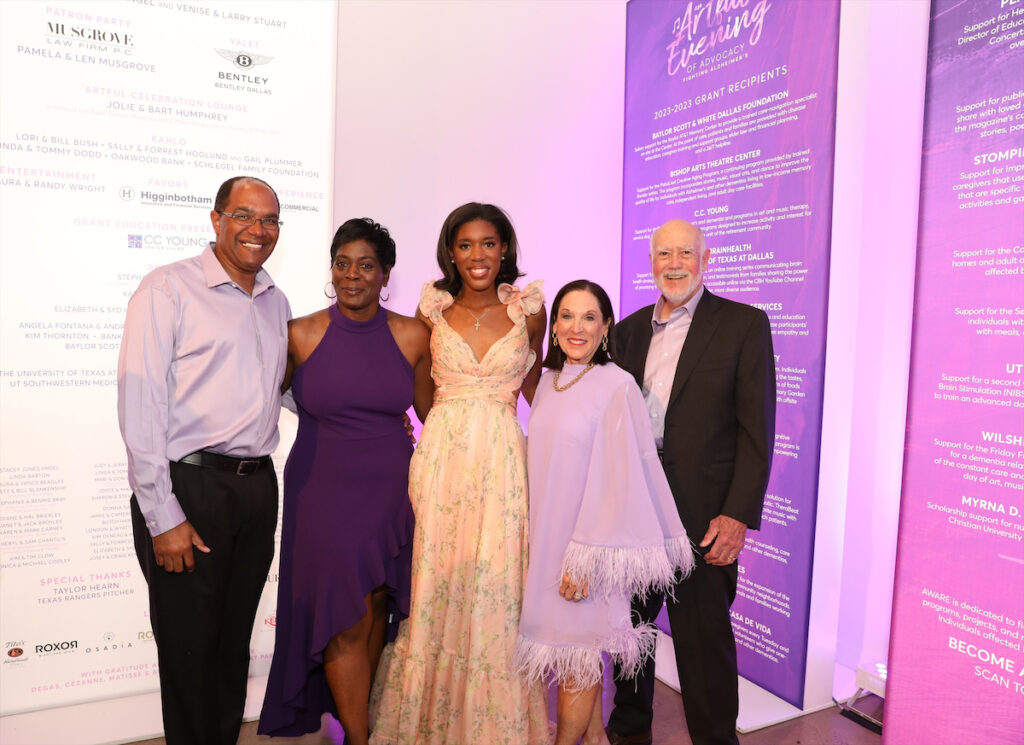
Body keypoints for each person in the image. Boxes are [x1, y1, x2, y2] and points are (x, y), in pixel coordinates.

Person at [118, 176, 290, 745]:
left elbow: (281, 392)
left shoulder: (275, 300)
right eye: (244, 215)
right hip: (189, 489)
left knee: (232, 643)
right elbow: (141, 405)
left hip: (256, 489)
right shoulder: (166, 289)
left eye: (269, 220)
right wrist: (162, 515)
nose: (257, 230)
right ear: (215, 219)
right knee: (190, 651)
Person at [369, 203, 549, 745]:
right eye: (466, 244)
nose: (478, 256)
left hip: (503, 463)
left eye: (489, 244)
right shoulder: (432, 311)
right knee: (436, 583)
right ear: (451, 250)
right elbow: (423, 392)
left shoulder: (530, 311)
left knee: (499, 586)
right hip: (444, 462)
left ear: (504, 250)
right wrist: (449, 432)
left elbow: (538, 380)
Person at [258, 218, 433, 744]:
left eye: (366, 266)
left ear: (386, 275)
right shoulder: (300, 333)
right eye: (342, 264)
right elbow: (266, 399)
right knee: (345, 613)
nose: (352, 275)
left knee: (377, 603)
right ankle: (359, 738)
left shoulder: (413, 334)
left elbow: (432, 412)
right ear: (331, 270)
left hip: (388, 489)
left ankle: (364, 720)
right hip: (322, 489)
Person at [605, 219, 776, 745]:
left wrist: (738, 514)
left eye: (685, 253)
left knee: (704, 649)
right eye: (663, 254)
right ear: (651, 261)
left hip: (702, 517)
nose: (673, 263)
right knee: (630, 641)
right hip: (635, 512)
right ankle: (629, 736)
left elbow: (756, 427)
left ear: (707, 259)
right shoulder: (626, 331)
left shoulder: (743, 324)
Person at [514, 280, 695, 745]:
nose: (577, 327)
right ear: (553, 327)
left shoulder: (616, 385)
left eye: (589, 317)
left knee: (579, 659)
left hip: (586, 553)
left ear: (606, 327)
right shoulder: (548, 385)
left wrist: (587, 561)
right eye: (567, 316)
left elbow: (621, 480)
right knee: (574, 656)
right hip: (546, 543)